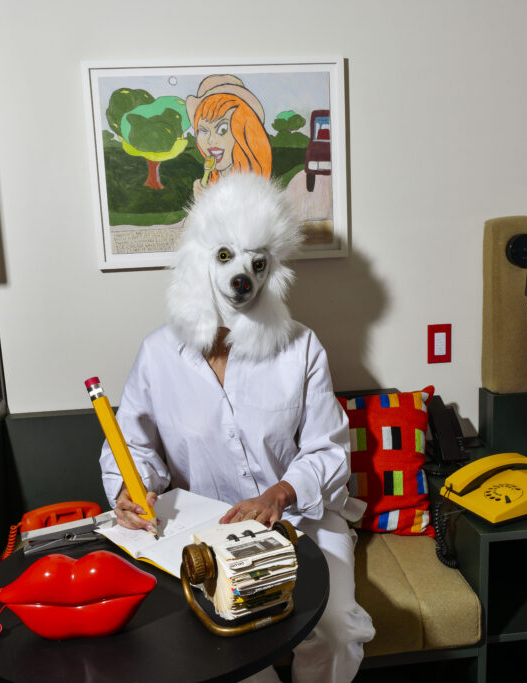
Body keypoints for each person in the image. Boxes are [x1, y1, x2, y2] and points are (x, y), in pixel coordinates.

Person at [100, 173, 374, 683]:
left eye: (256, 263)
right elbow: (130, 445)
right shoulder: (158, 355)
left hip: (302, 525)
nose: (241, 275)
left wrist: (281, 493)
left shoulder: (303, 347)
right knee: (229, 648)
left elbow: (329, 449)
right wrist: (130, 491)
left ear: (271, 272)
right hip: (205, 531)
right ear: (202, 259)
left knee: (335, 628)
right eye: (226, 256)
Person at [186, 74, 273, 195]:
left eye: (222, 129)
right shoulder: (209, 183)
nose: (211, 140)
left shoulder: (252, 190)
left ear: (244, 132)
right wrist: (199, 203)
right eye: (204, 131)